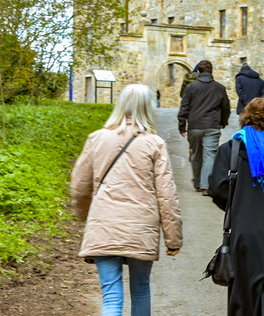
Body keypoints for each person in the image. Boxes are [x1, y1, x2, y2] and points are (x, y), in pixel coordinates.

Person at [71, 84, 182, 316]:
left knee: (111, 296)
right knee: (141, 289)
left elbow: (80, 185)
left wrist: (86, 217)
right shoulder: (155, 143)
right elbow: (166, 194)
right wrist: (173, 238)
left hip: (104, 224)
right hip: (140, 228)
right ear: (148, 108)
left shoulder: (97, 138)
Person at [208, 98, 264, 316]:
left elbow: (218, 189)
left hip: (244, 231)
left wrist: (239, 205)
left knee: (243, 298)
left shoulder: (230, 150)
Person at [178, 59, 230, 196]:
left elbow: (184, 108)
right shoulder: (219, 88)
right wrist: (223, 122)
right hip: (212, 125)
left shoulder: (191, 87)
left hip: (194, 126)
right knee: (210, 155)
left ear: (198, 72)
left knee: (195, 154)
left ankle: (197, 181)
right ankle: (206, 185)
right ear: (211, 72)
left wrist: (182, 127)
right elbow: (226, 107)